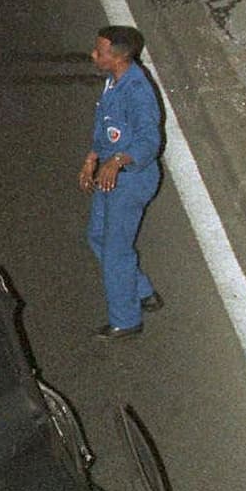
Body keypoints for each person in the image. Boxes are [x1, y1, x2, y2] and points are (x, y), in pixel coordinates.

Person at [77, 25, 163, 339]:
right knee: (98, 236)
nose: (93, 55)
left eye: (99, 52)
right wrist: (93, 157)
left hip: (130, 181)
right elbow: (107, 125)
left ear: (118, 58)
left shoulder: (137, 92)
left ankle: (126, 320)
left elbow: (148, 141)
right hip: (110, 177)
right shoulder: (114, 82)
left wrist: (116, 162)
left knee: (116, 251)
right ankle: (141, 291)